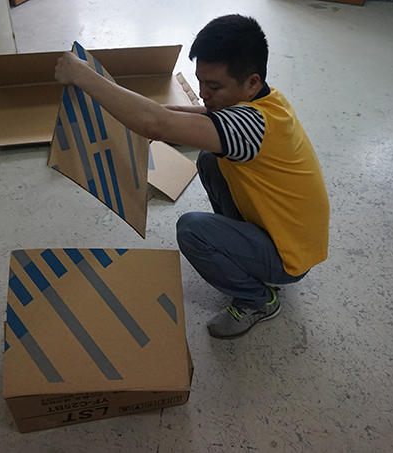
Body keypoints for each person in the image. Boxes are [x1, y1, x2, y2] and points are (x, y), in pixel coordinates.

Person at [54, 14, 329, 340]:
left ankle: (259, 300)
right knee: (210, 160)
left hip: (288, 257)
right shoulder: (267, 101)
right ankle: (242, 253)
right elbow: (182, 117)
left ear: (251, 82)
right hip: (287, 232)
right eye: (200, 81)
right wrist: (133, 109)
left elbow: (156, 125)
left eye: (214, 86)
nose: (202, 93)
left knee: (193, 231)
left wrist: (82, 75)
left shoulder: (248, 127)